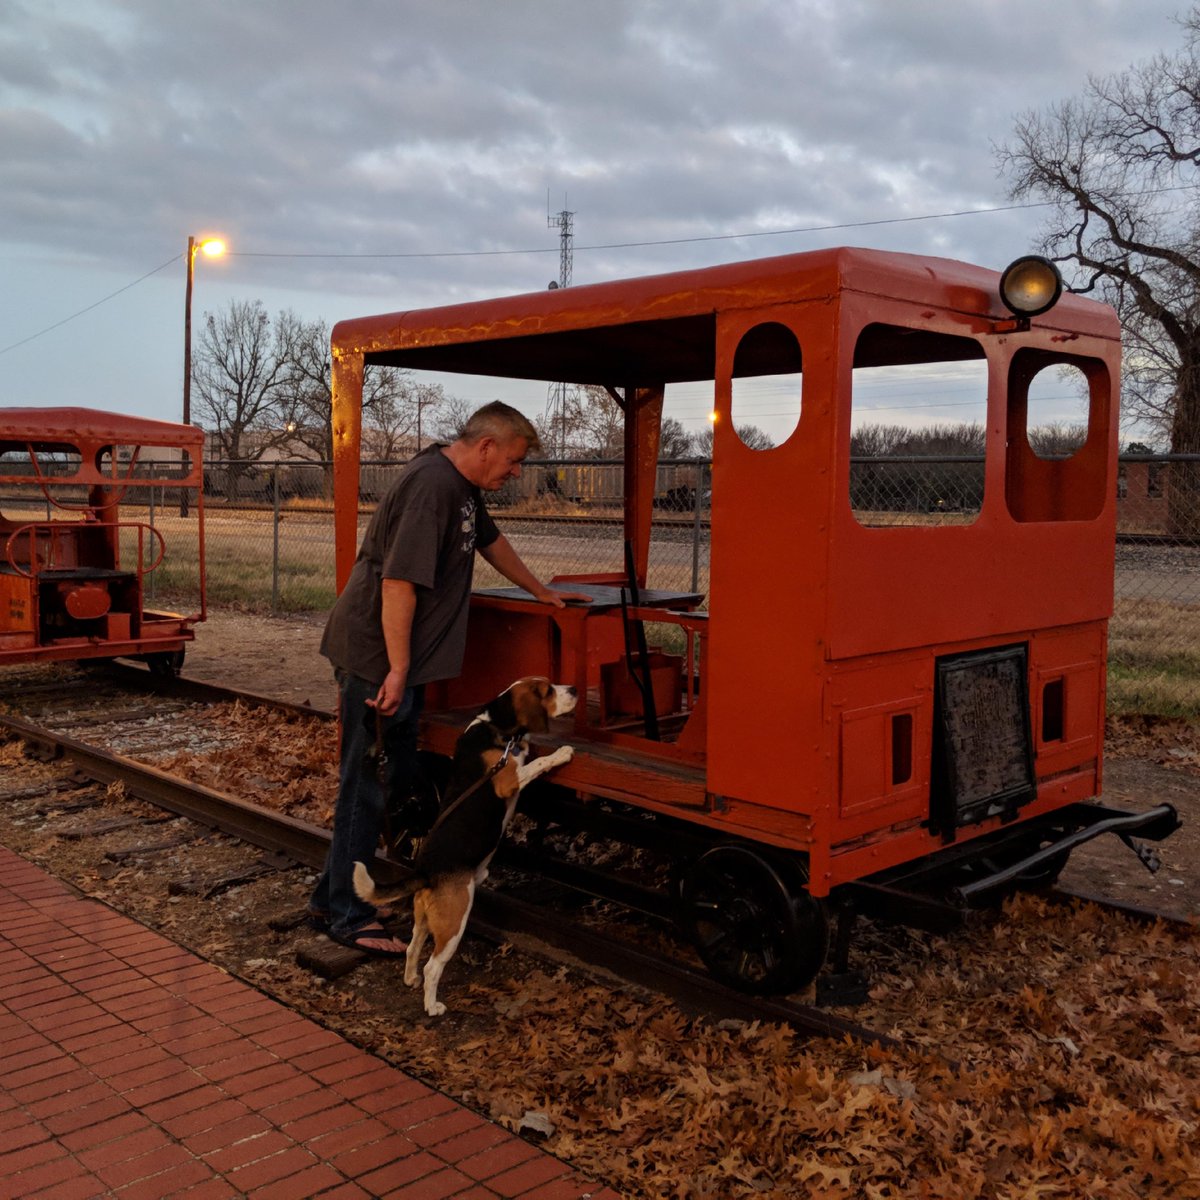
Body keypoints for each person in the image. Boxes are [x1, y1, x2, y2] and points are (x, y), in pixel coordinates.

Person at [309, 401, 590, 956]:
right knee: (366, 787)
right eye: (512, 461)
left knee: (389, 781)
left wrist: (541, 590)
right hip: (375, 658)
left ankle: (350, 893)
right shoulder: (431, 488)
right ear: (486, 445)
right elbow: (397, 585)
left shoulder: (461, 487)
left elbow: (491, 541)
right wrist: (396, 670)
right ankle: (342, 912)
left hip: (392, 662)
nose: (515, 473)